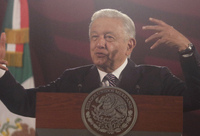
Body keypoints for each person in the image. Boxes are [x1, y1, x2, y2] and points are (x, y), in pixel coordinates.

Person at [0, 9, 200, 118]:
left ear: (129, 45)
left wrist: (187, 50)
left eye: (109, 37)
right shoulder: (73, 79)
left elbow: (195, 98)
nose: (99, 44)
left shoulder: (157, 78)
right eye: (94, 37)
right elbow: (24, 103)